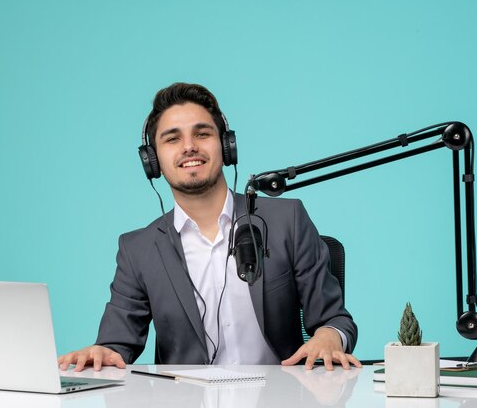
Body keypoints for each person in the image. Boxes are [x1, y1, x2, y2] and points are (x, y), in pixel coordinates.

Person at [58, 83, 361, 372]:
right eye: (172, 139)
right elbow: (115, 345)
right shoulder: (137, 250)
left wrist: (329, 336)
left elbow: (335, 320)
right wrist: (103, 353)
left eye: (202, 134)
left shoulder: (287, 220)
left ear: (227, 147)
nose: (189, 147)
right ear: (153, 161)